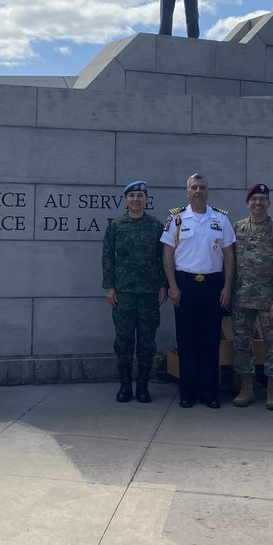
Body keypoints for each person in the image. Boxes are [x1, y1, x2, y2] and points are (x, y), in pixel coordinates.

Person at [160, 174, 235, 409]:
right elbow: (167, 255)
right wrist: (172, 285)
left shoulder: (220, 219)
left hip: (213, 284)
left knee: (210, 340)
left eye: (202, 187)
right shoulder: (177, 219)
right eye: (194, 187)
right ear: (187, 192)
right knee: (187, 340)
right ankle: (188, 392)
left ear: (207, 191)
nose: (198, 191)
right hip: (185, 284)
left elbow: (229, 255)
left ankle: (210, 392)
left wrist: (227, 286)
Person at [101, 181, 168, 403]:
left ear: (146, 200)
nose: (136, 199)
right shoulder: (116, 225)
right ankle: (124, 386)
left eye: (140, 195)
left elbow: (164, 259)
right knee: (124, 340)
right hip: (124, 293)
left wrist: (163, 285)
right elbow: (108, 257)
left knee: (147, 341)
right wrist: (109, 286)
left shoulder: (156, 226)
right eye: (132, 196)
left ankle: (142, 387)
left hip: (149, 293)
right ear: (125, 200)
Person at [231, 184, 273, 410]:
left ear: (268, 202)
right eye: (254, 199)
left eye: (263, 199)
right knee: (241, 344)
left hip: (269, 300)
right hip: (241, 298)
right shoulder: (237, 229)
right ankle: (246, 387)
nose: (258, 202)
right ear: (247, 203)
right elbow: (229, 263)